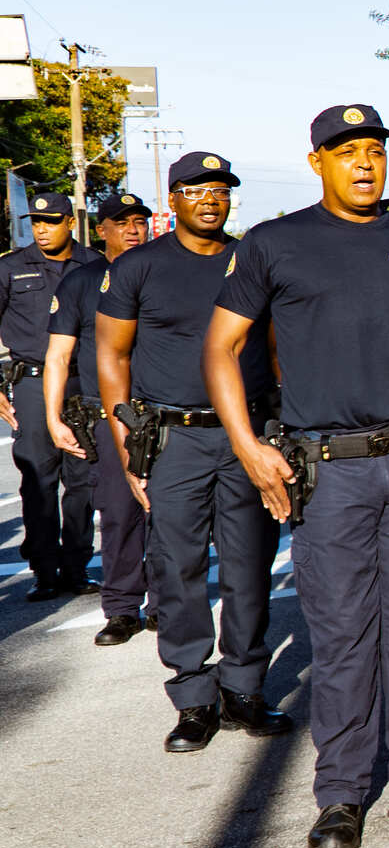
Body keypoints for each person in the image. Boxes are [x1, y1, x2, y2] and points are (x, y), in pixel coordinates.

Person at [205, 104, 389, 848]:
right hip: (326, 470)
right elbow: (222, 349)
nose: (364, 163)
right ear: (317, 159)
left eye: (375, 151)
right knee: (344, 633)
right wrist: (248, 445)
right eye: (346, 151)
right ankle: (343, 793)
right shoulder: (274, 244)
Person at [98, 153, 288, 752]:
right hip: (174, 438)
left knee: (249, 564)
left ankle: (244, 688)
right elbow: (112, 356)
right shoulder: (139, 266)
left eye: (221, 190)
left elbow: (277, 346)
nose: (211, 199)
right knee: (175, 567)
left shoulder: (251, 261)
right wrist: (128, 439)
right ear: (172, 198)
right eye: (196, 189)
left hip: (247, 434)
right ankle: (193, 695)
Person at [46, 193, 150, 640]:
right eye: (120, 221)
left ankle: (167, 601)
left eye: (139, 221)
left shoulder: (164, 270)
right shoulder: (81, 282)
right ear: (100, 229)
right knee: (119, 511)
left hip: (164, 414)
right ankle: (123, 607)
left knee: (171, 515)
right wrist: (53, 416)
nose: (132, 229)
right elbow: (58, 355)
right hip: (109, 417)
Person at [2, 190, 103, 600]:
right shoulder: (10, 267)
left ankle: (76, 568)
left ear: (70, 223)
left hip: (81, 383)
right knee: (38, 480)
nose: (43, 230)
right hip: (31, 381)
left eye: (52, 221)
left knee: (82, 480)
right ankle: (45, 570)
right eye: (37, 223)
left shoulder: (94, 265)